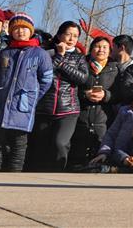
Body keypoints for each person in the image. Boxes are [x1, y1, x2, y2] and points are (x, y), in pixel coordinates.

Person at [0, 14, 54, 172]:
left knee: (18, 144)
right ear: (11, 31)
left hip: (22, 106)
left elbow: (46, 80)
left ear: (31, 31)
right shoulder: (5, 52)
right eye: (16, 28)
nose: (20, 31)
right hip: (0, 105)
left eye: (24, 28)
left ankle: (15, 176)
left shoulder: (40, 54)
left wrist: (32, 97)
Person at [29, 20, 89, 171]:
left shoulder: (79, 57)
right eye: (68, 34)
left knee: (60, 143)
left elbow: (82, 78)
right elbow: (42, 73)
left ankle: (58, 174)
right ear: (59, 35)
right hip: (44, 107)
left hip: (68, 109)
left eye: (75, 36)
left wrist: (62, 64)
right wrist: (59, 56)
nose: (71, 39)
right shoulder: (46, 53)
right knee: (40, 145)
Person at [71, 36, 120, 166]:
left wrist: (106, 95)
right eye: (97, 46)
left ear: (110, 51)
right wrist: (84, 94)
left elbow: (120, 94)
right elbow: (71, 88)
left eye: (105, 47)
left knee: (99, 155)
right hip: (81, 116)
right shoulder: (81, 65)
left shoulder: (116, 69)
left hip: (103, 118)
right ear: (91, 49)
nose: (101, 50)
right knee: (77, 155)